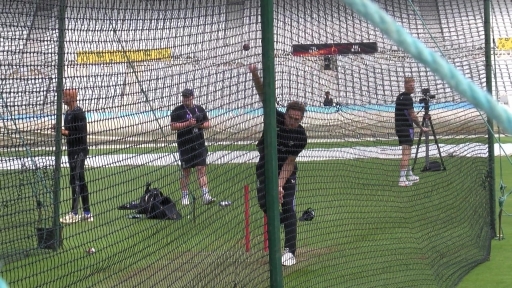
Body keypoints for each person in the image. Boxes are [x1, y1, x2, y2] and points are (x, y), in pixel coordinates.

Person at [249, 64, 308, 266]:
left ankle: (290, 251)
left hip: (286, 173)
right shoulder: (274, 117)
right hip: (265, 168)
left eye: (297, 119)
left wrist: (280, 185)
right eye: (290, 118)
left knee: (288, 208)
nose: (292, 122)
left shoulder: (301, 135)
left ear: (301, 119)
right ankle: (285, 224)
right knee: (266, 205)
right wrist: (256, 74)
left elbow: (290, 163)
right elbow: (264, 95)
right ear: (286, 114)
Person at [170, 88, 215, 205]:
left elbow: (208, 124)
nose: (186, 99)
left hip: (199, 144)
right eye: (184, 97)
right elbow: (173, 126)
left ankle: (206, 195)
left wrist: (199, 124)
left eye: (188, 97)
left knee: (201, 169)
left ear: (192, 97)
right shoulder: (177, 110)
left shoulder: (199, 109)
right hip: (185, 145)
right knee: (186, 171)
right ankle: (184, 196)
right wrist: (188, 124)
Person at [59, 88, 92, 224]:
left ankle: (74, 213)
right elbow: (69, 131)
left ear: (71, 98)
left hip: (79, 151)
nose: (63, 99)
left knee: (76, 180)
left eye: (65, 96)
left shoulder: (79, 113)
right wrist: (60, 130)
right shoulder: (68, 113)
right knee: (80, 180)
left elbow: (80, 134)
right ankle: (87, 213)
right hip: (72, 151)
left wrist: (62, 131)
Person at [394, 77, 429, 187]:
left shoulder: (399, 97)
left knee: (408, 152)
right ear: (405, 85)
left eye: (413, 85)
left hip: (400, 128)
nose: (412, 87)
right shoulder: (408, 98)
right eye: (410, 85)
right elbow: (413, 116)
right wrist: (421, 127)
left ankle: (409, 174)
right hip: (406, 128)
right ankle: (402, 179)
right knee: (406, 153)